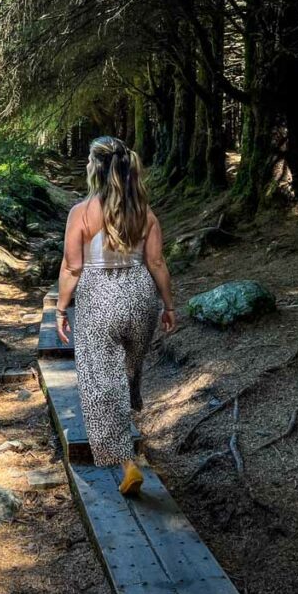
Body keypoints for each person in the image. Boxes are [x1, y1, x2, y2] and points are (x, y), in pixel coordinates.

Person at [55, 135, 176, 496]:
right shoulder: (145, 213)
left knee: (100, 380)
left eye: (89, 162)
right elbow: (156, 262)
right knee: (126, 373)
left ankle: (126, 462)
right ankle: (128, 419)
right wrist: (169, 306)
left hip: (99, 298)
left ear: (96, 166)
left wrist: (61, 309)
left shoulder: (81, 212)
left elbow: (72, 267)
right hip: (141, 297)